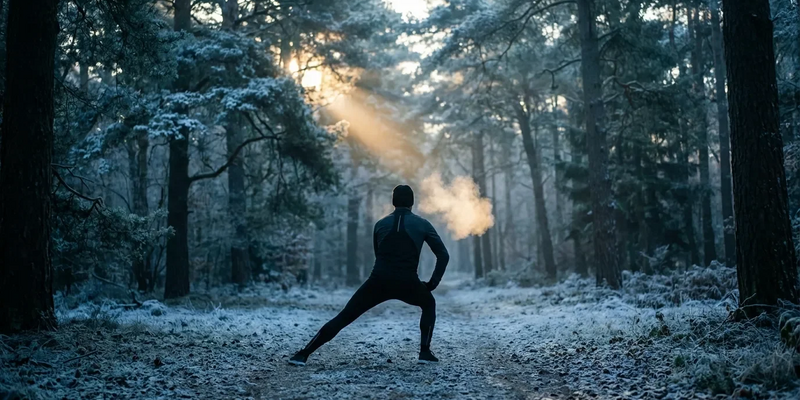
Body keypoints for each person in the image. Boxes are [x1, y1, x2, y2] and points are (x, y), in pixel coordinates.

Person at [289, 185, 450, 365]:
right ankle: (425, 353)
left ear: (393, 201)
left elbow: (378, 253)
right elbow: (443, 255)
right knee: (429, 303)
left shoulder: (380, 224)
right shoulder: (423, 224)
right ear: (412, 202)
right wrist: (432, 284)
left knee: (345, 316)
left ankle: (303, 354)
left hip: (378, 282)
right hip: (408, 282)